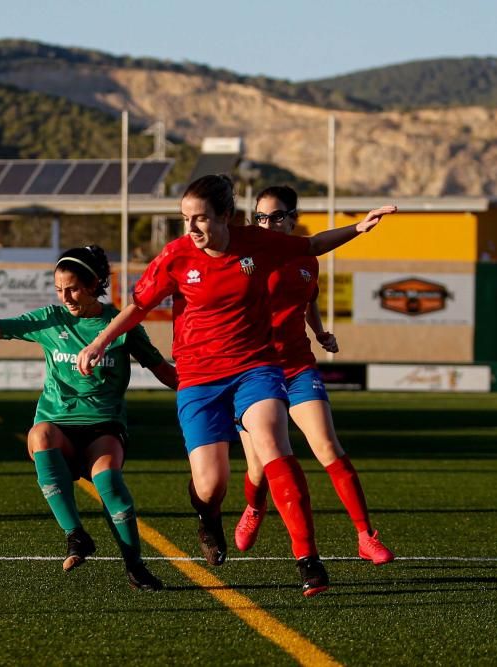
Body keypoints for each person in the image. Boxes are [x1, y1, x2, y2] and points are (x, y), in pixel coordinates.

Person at [76, 174, 396, 596]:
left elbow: (312, 245)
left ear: (226, 216)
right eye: (185, 219)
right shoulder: (175, 256)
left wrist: (358, 227)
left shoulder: (255, 242)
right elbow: (138, 306)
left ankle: (308, 560)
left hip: (255, 367)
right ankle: (209, 519)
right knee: (210, 486)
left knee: (274, 444)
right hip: (198, 377)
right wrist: (100, 341)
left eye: (201, 219)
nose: (191, 228)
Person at [0, 245, 178, 591]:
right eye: (58, 289)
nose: (65, 296)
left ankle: (135, 566)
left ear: (95, 284)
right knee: (39, 436)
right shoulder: (49, 319)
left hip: (103, 426)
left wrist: (213, 392)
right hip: (58, 424)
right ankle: (76, 535)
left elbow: (166, 374)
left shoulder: (121, 327)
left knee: (109, 483)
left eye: (73, 288)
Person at [234, 186, 394, 565]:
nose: (267, 223)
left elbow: (307, 300)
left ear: (292, 219)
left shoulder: (308, 259)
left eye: (275, 216)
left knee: (327, 446)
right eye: (260, 217)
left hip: (297, 365)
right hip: (254, 371)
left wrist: (320, 333)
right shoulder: (249, 257)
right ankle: (254, 508)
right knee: (258, 467)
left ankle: (365, 536)